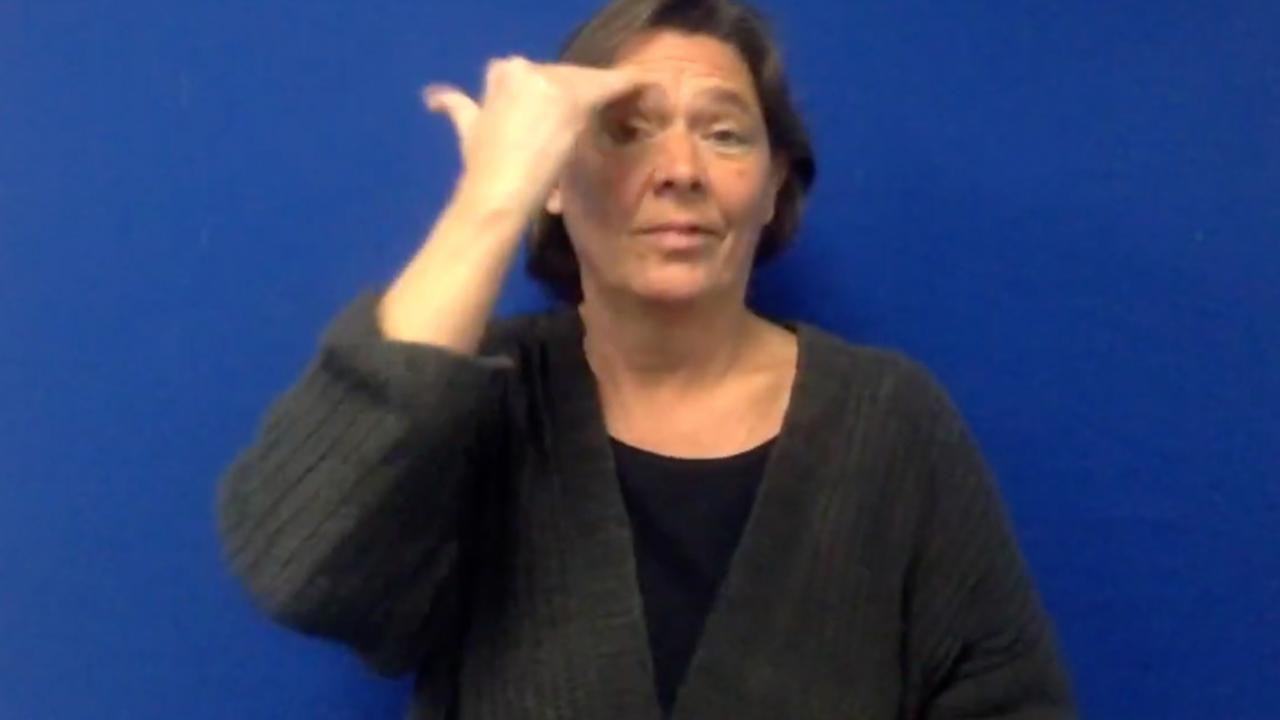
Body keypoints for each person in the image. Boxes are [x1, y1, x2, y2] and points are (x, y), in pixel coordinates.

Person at [214, 0, 1077, 717]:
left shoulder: (891, 424)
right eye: (626, 132)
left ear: (775, 183)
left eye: (726, 135)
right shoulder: (482, 411)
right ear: (551, 175)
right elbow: (299, 567)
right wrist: (490, 199)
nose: (680, 169)